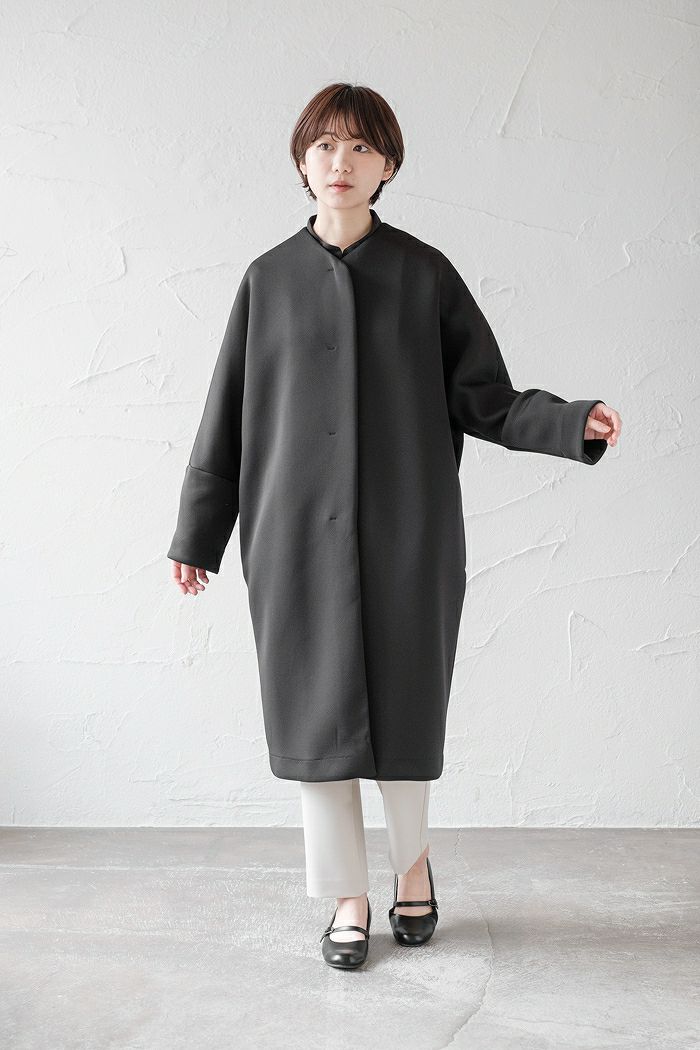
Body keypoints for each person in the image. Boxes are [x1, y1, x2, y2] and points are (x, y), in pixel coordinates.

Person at [167, 83, 622, 971]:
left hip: (408, 536)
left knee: (407, 713)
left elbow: (485, 396)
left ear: (388, 166)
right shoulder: (266, 281)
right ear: (302, 163)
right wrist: (197, 535)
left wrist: (572, 422)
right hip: (292, 540)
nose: (341, 163)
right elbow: (225, 419)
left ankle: (413, 868)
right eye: (325, 146)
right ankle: (348, 898)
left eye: (361, 148)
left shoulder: (424, 275)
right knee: (315, 725)